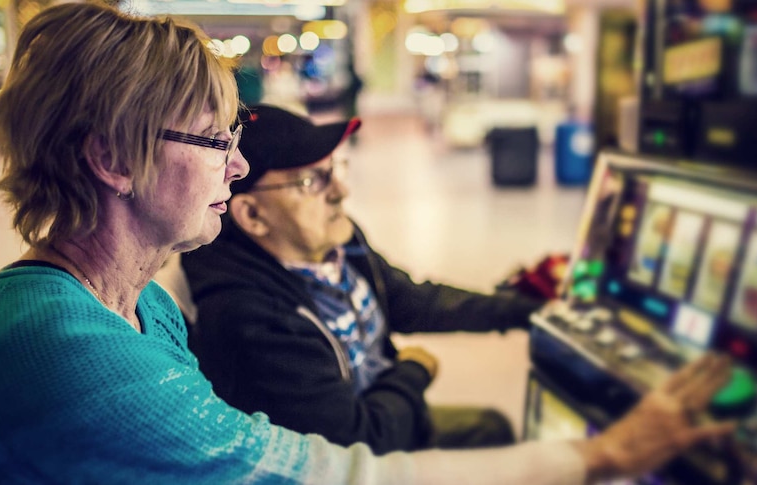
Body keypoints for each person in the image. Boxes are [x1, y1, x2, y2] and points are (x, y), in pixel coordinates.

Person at [0, 2, 735, 484]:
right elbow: (323, 471)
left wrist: (523, 306)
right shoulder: (63, 346)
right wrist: (600, 454)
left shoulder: (141, 299)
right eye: (214, 140)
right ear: (111, 159)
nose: (237, 166)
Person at [181, 104, 547, 454]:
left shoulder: (336, 243)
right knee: (489, 431)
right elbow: (357, 443)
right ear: (252, 214)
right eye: (311, 181)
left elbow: (410, 300)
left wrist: (524, 311)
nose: (340, 192)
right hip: (354, 460)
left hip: (388, 415)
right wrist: (414, 371)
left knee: (490, 428)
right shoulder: (248, 314)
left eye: (335, 170)